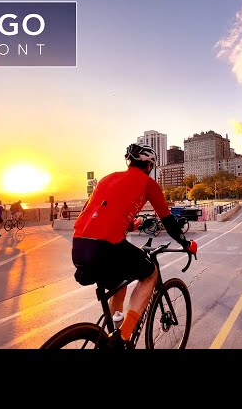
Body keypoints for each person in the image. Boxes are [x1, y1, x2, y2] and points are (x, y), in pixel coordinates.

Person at [71, 142, 198, 349]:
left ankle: (113, 334)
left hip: (79, 246)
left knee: (118, 285)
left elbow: (93, 211)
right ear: (149, 166)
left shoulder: (106, 179)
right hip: (107, 246)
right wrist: (186, 243)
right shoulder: (149, 184)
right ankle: (122, 337)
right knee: (150, 274)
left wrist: (132, 224)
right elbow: (169, 223)